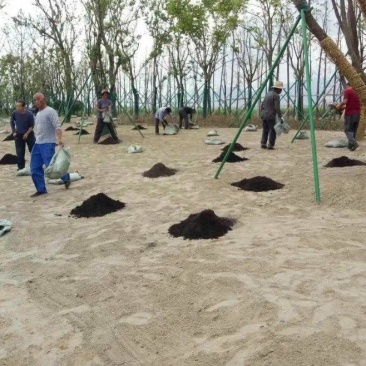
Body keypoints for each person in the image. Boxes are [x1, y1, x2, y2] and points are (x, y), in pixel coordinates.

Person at [30, 92, 71, 197]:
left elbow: (57, 126)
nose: (36, 102)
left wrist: (59, 138)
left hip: (48, 144)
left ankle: (66, 177)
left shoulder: (51, 111)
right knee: (34, 167)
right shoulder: (38, 113)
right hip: (38, 144)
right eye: (34, 100)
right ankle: (41, 189)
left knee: (51, 167)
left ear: (43, 99)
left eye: (37, 99)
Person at [10, 100, 36, 170]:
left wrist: (27, 134)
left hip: (29, 134)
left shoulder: (29, 114)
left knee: (34, 150)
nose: (17, 108)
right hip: (18, 135)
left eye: (19, 106)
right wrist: (14, 131)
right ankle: (21, 167)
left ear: (24, 106)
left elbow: (32, 125)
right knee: (20, 152)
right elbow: (12, 122)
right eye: (17, 106)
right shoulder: (14, 113)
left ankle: (36, 166)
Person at [260, 80, 284, 150]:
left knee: (265, 129)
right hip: (270, 115)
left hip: (264, 114)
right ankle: (270, 144)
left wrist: (262, 112)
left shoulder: (268, 93)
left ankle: (263, 143)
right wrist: (280, 117)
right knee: (272, 130)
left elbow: (262, 104)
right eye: (281, 89)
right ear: (278, 89)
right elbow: (277, 107)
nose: (281, 91)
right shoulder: (276, 96)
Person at [338, 82, 360, 151]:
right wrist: (344, 107)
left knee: (347, 129)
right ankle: (351, 146)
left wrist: (339, 105)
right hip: (358, 113)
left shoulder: (348, 90)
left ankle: (354, 143)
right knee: (353, 130)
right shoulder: (357, 92)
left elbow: (345, 101)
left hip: (350, 114)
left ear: (347, 85)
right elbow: (351, 104)